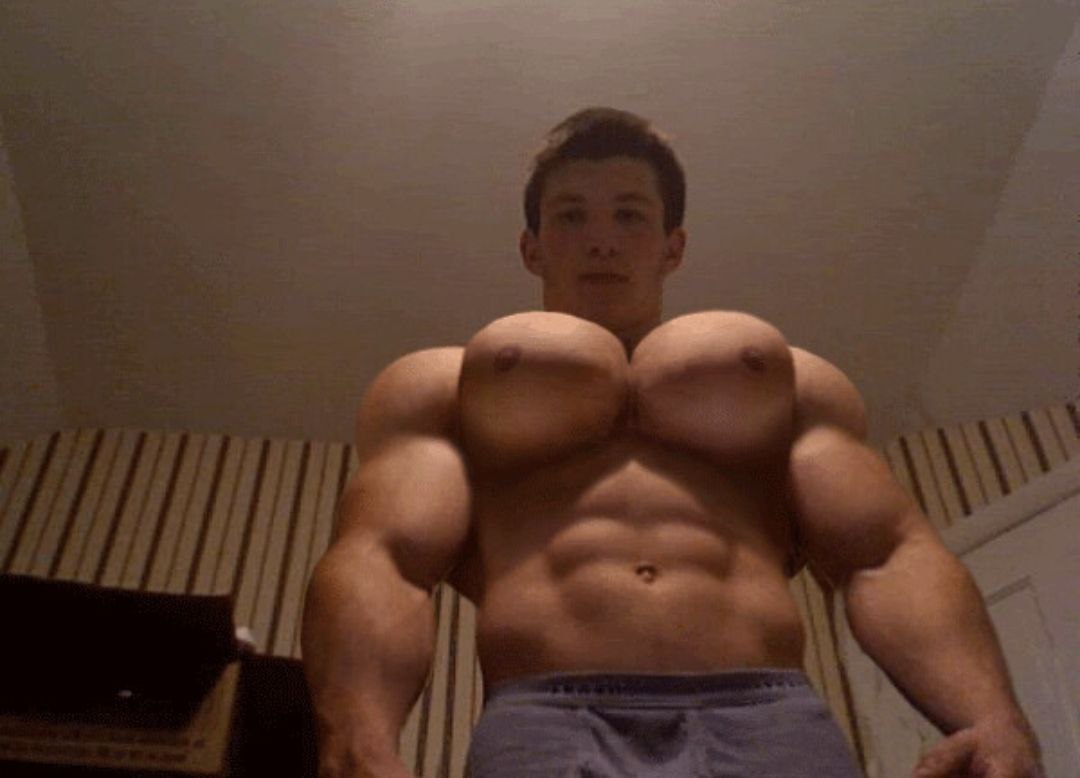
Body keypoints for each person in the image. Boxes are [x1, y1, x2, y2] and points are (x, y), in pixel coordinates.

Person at [301, 108, 1042, 778]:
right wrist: (358, 731)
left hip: (769, 717)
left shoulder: (786, 382)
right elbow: (383, 558)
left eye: (630, 215)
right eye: (570, 216)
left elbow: (885, 553)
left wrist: (992, 718)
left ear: (673, 246)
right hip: (546, 718)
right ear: (531, 248)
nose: (601, 239)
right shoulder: (446, 384)